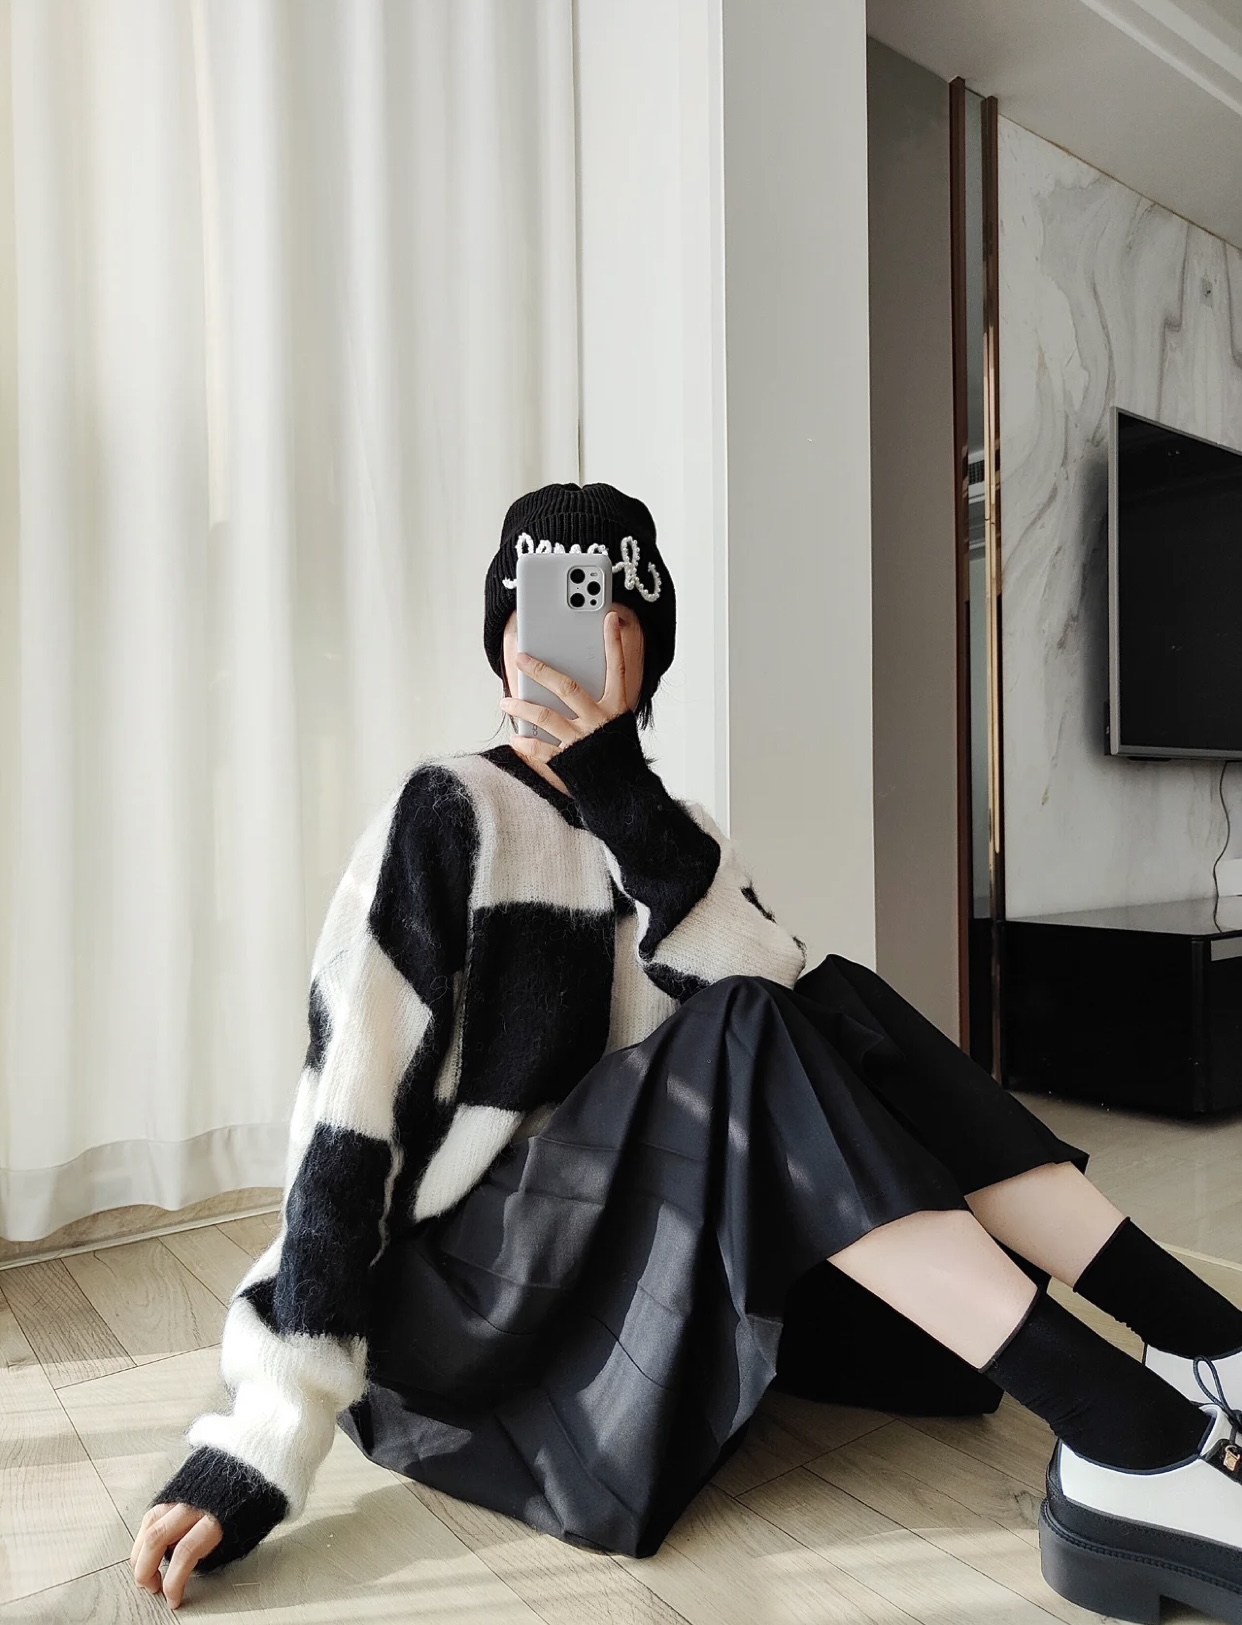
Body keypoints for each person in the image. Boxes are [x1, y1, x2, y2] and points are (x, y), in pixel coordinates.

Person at [132, 484, 1242, 1623]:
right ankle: (1124, 1429)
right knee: (759, 1020)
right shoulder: (447, 809)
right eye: (536, 610)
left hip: (619, 1263)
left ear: (643, 653)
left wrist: (623, 799)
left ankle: (1205, 1338)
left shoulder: (678, 837)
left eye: (602, 616)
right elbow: (344, 1123)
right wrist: (262, 1437)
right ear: (501, 639)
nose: (560, 644)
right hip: (467, 1311)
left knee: (826, 991)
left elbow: (794, 1016)